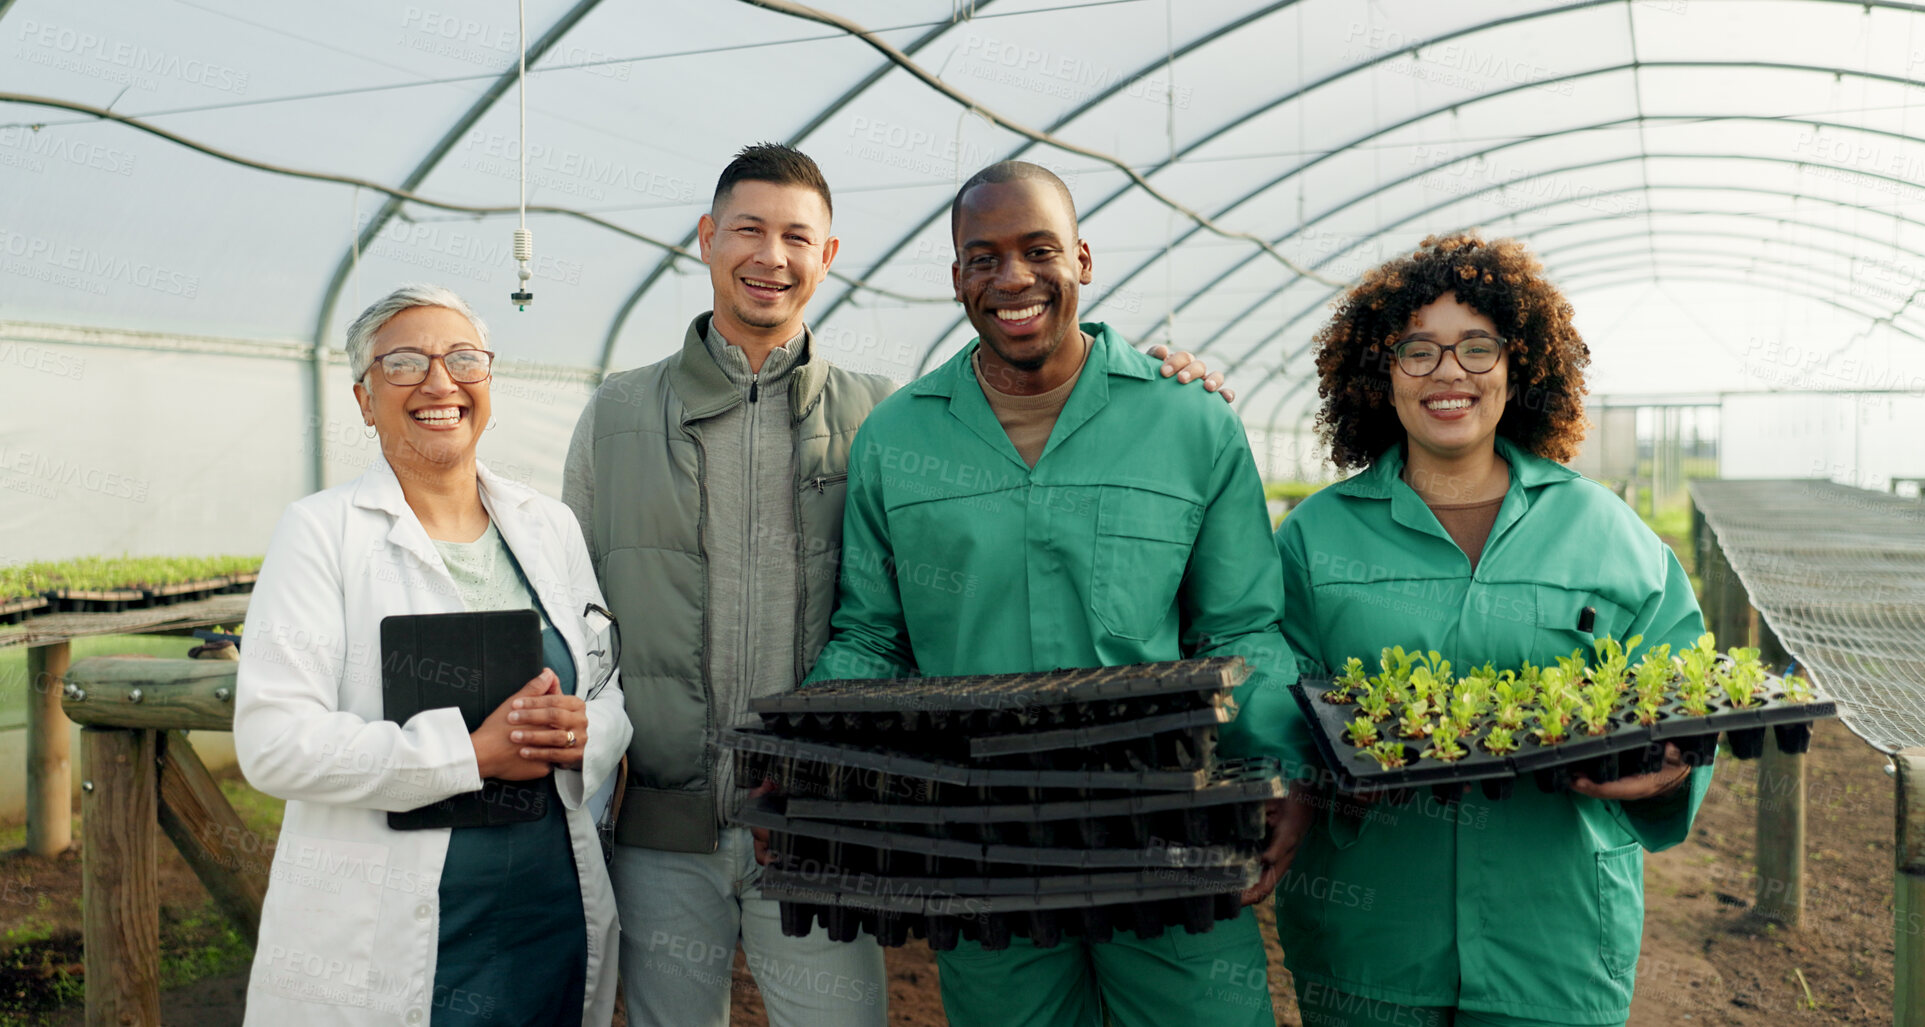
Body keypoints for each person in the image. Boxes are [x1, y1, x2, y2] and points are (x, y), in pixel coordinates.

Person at [563, 143, 1234, 1027]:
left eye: (797, 236)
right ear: (705, 238)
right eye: (749, 231)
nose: (772, 256)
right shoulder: (617, 414)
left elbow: (891, 622)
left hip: (826, 827)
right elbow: (574, 612)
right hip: (661, 828)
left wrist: (1161, 381)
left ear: (828, 255)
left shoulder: (883, 418)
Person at [803, 159, 1313, 1027]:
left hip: (1167, 829)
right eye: (982, 256)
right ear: (956, 275)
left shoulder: (1188, 421)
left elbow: (1241, 627)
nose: (1012, 279)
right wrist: (806, 756)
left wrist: (1283, 767)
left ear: (1081, 258)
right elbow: (871, 636)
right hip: (984, 846)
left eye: (1038, 249)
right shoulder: (900, 436)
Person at [1273, 233, 1712, 1027]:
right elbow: (1273, 701)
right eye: (1418, 350)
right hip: (1371, 942)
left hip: (1556, 942)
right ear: (1383, 372)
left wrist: (1673, 770)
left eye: (1477, 348)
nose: (1449, 372)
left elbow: (1682, 689)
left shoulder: (1604, 530)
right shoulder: (1314, 538)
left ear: (1519, 367)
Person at [235, 284, 630, 1027]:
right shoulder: (321, 532)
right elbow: (273, 744)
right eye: (406, 362)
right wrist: (471, 754)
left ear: (488, 381)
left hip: (549, 910)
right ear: (362, 398)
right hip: (396, 929)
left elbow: (608, 686)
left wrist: (589, 731)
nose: (440, 382)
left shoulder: (548, 525)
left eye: (463, 359)